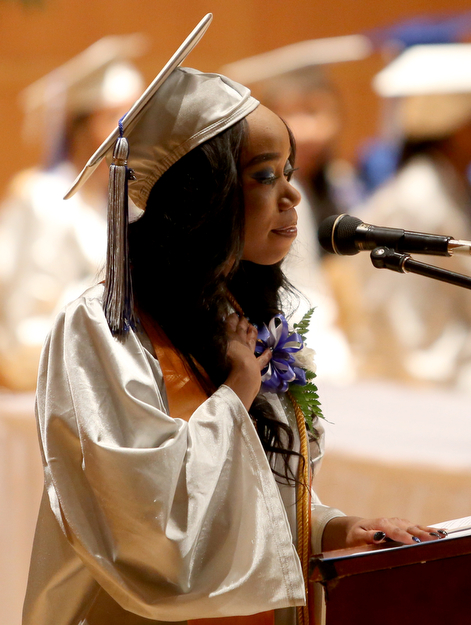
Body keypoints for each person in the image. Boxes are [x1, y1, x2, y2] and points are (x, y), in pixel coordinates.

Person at [23, 16, 443, 625]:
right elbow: (151, 535)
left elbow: (247, 497)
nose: (292, 196)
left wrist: (332, 528)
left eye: (291, 172)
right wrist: (237, 392)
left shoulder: (238, 314)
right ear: (203, 197)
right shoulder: (105, 330)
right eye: (265, 175)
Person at [0, 35, 145, 391]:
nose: (129, 132)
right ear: (81, 127)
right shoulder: (46, 198)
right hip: (53, 387)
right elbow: (25, 320)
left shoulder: (131, 201)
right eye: (114, 118)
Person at [326, 43, 471, 388]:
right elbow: (409, 331)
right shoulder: (416, 199)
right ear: (458, 125)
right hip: (427, 388)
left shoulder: (445, 187)